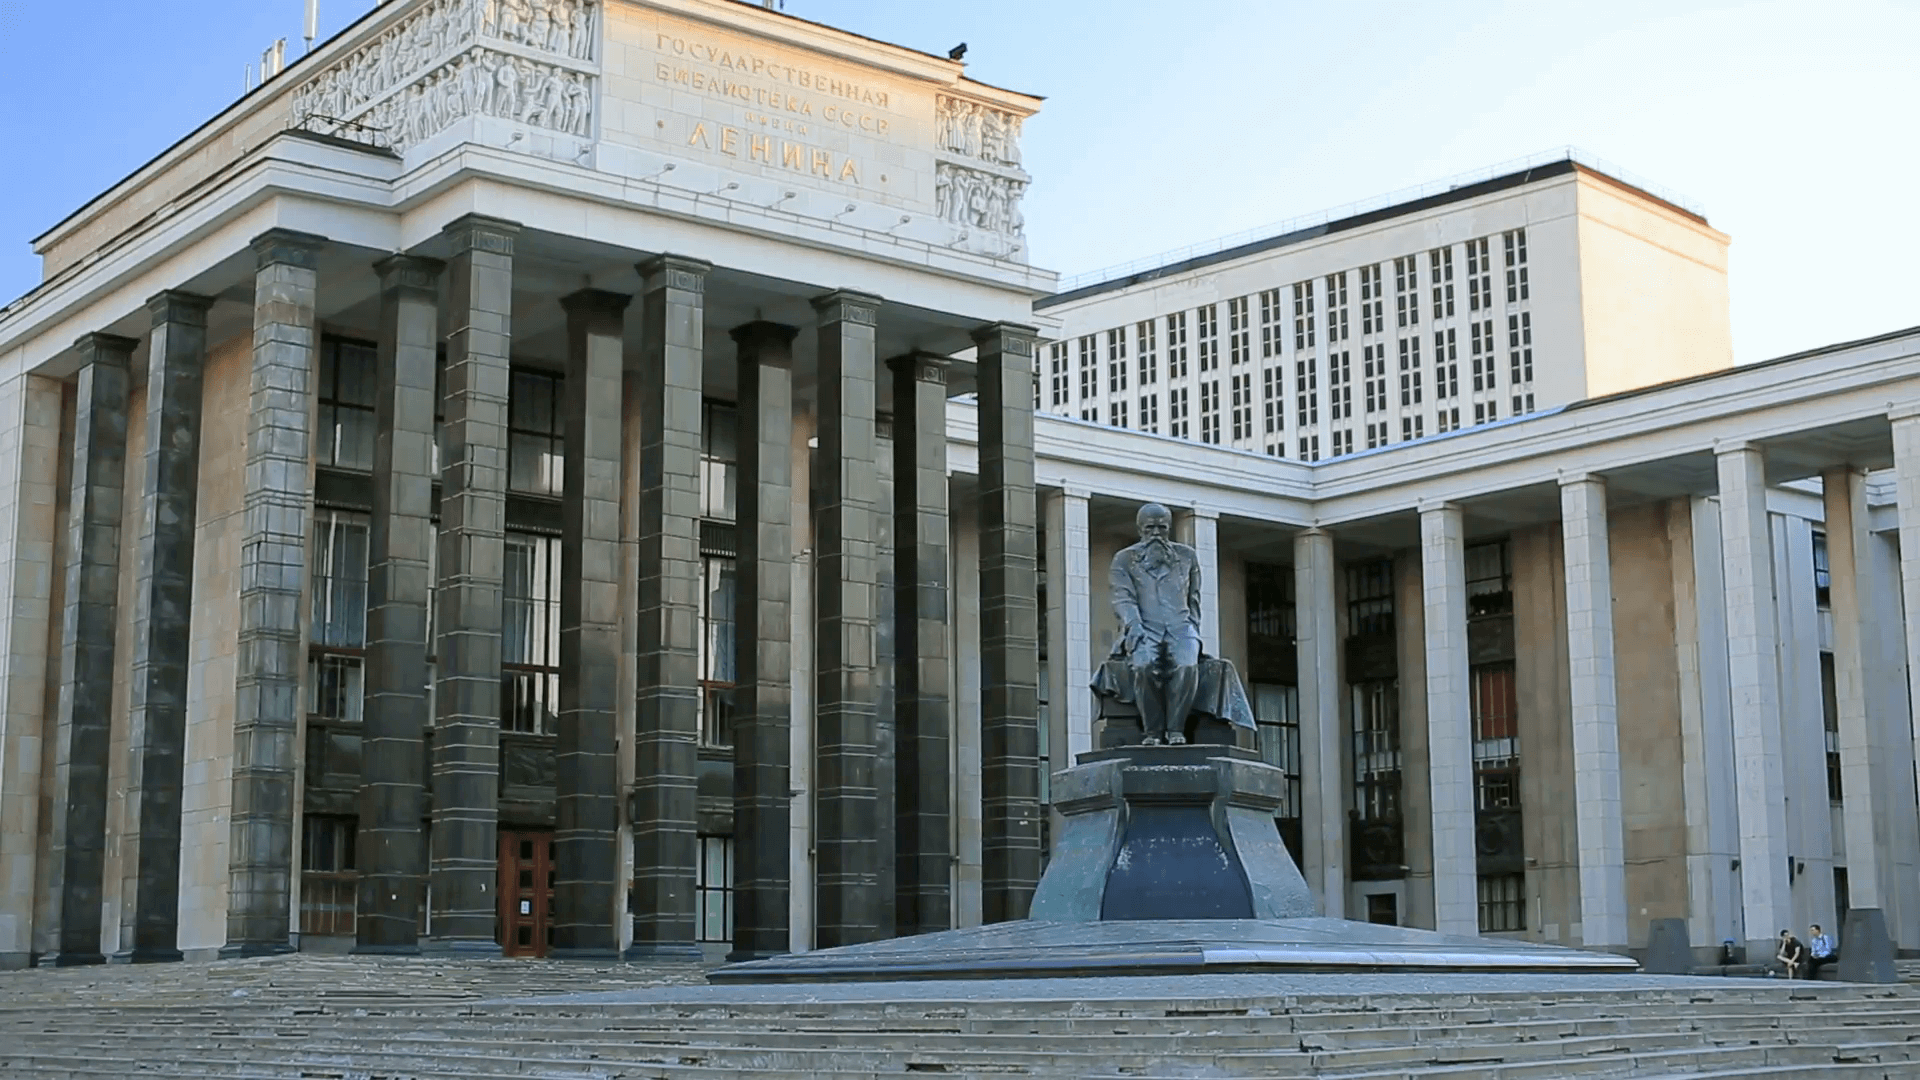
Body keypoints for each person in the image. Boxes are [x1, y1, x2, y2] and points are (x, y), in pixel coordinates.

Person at [1108, 503, 1204, 745]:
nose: (1156, 534)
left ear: (1169, 528)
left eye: (1162, 528)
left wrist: (1193, 630)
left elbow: (1194, 597)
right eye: (1150, 528)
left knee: (1186, 665)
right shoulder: (1124, 559)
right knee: (1143, 666)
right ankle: (1153, 732)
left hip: (1180, 627)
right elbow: (1122, 597)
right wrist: (1134, 627)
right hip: (1144, 626)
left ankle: (1175, 730)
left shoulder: (1186, 556)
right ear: (1140, 529)